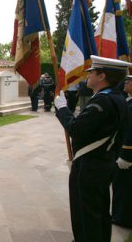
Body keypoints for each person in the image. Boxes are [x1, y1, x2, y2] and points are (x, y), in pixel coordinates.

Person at [54, 55, 130, 242]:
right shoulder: (117, 98)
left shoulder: (102, 102)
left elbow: (77, 130)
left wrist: (62, 109)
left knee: (86, 214)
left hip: (91, 165)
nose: (87, 76)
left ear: (102, 76)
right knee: (100, 211)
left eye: (91, 72)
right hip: (102, 162)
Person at [112, 75, 132, 228]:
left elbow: (130, 132)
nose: (125, 83)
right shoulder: (128, 100)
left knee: (124, 187)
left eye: (128, 82)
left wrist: (125, 154)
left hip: (127, 154)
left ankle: (122, 217)